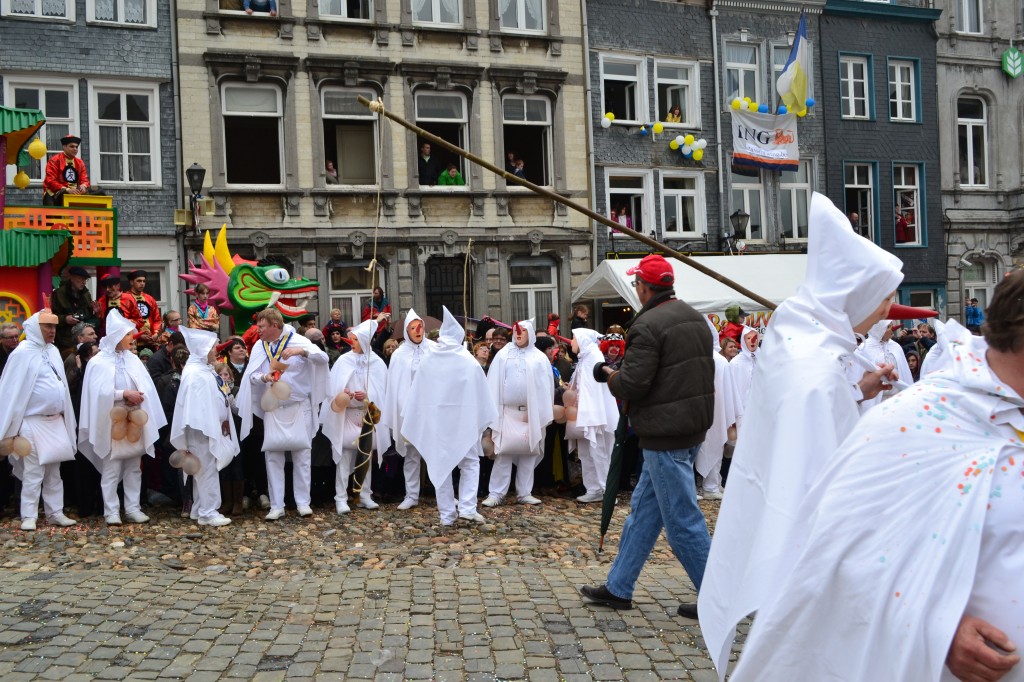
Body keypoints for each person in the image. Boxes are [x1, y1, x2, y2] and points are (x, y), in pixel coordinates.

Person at [724, 269, 1024, 682]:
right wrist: (936, 626)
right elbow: (844, 549)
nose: (887, 310)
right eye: (882, 300)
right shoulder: (920, 422)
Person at [698, 192, 904, 677]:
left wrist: (855, 392)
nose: (887, 310)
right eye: (883, 298)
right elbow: (813, 462)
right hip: (807, 539)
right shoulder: (812, 362)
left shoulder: (806, 343)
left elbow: (818, 417)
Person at [580, 253, 716, 615]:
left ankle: (719, 596)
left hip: (665, 434)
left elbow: (634, 384)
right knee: (643, 512)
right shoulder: (694, 317)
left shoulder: (647, 324)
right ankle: (618, 587)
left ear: (643, 287)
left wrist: (608, 374)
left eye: (636, 283)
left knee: (683, 521)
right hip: (689, 429)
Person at [401, 307, 496, 526]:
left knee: (439, 465)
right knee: (470, 462)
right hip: (464, 422)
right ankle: (467, 507)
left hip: (437, 423)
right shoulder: (468, 361)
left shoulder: (428, 360)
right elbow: (481, 394)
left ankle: (446, 514)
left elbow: (418, 395)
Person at [236, 308, 328, 520]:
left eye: (261, 327)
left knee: (302, 454)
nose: (257, 331)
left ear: (274, 326)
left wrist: (301, 352)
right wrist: (264, 378)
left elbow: (322, 358)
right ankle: (277, 505)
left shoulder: (298, 340)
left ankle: (303, 503)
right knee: (273, 456)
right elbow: (251, 376)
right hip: (274, 407)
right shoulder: (260, 346)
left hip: (298, 404)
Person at [79, 310, 167, 525]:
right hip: (110, 419)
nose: (131, 338)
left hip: (134, 418)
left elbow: (145, 384)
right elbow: (97, 393)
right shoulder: (98, 362)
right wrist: (122, 394)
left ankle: (133, 507)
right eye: (128, 334)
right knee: (112, 466)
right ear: (117, 336)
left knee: (134, 465)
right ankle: (111, 510)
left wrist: (138, 395)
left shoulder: (133, 360)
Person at [0, 310, 78, 530]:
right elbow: (10, 391)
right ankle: (29, 515)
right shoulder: (21, 353)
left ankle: (55, 512)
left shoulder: (52, 351)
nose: (52, 331)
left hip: (54, 420)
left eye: (53, 327)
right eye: (47, 327)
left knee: (55, 470)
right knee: (34, 470)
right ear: (36, 328)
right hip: (31, 421)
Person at [482, 320, 555, 508]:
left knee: (529, 453)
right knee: (503, 453)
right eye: (516, 332)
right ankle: (496, 493)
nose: (519, 335)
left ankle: (524, 492)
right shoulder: (503, 355)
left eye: (523, 332)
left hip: (531, 413)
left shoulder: (539, 358)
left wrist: (541, 410)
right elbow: (493, 382)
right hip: (507, 412)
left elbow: (546, 385)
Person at [171, 328, 239, 527]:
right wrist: (210, 426)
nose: (215, 351)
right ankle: (208, 511)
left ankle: (200, 507)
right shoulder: (195, 374)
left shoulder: (202, 370)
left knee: (204, 469)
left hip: (208, 427)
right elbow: (195, 407)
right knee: (206, 470)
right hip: (202, 430)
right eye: (212, 348)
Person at [320, 319, 388, 514]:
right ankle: (341, 497)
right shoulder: (343, 360)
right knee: (344, 457)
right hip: (347, 414)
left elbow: (382, 391)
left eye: (356, 339)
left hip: (367, 415)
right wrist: (346, 393)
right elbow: (334, 387)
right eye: (351, 339)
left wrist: (368, 396)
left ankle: (364, 494)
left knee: (365, 456)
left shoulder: (376, 363)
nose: (352, 342)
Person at [380, 309, 431, 511]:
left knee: (434, 453)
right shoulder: (399, 355)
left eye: (420, 327)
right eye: (412, 328)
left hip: (429, 409)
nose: (417, 331)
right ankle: (412, 494)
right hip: (408, 410)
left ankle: (443, 492)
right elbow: (395, 385)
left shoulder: (434, 349)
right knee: (411, 454)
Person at [565, 328, 619, 503]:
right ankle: (593, 488)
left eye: (574, 338)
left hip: (596, 413)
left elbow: (595, 389)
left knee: (600, 452)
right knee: (586, 452)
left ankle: (607, 489)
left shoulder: (594, 357)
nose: (571, 342)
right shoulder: (584, 359)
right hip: (584, 412)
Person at [695, 317, 738, 502]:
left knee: (708, 447)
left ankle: (712, 483)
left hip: (707, 410)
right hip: (713, 410)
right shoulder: (719, 361)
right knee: (712, 446)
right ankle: (710, 485)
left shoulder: (716, 360)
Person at [52, 266, 97, 356]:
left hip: (83, 338)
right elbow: (51, 316)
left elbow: (88, 316)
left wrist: (95, 312)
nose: (83, 282)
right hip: (65, 340)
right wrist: (65, 319)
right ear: (72, 278)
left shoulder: (86, 294)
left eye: (85, 280)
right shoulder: (59, 294)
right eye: (81, 279)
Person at [42, 135, 90, 205]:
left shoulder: (80, 162)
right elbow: (50, 180)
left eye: (76, 147)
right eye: (72, 146)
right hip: (55, 193)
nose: (75, 149)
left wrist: (83, 185)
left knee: (99, 192)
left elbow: (85, 179)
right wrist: (67, 190)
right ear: (64, 147)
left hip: (74, 193)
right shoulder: (54, 160)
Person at [126, 270, 162, 347]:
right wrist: (138, 335)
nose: (142, 283)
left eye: (144, 281)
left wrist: (155, 333)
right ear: (131, 282)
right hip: (132, 343)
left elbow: (157, 319)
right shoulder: (125, 299)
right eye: (139, 281)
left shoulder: (150, 299)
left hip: (150, 341)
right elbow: (124, 322)